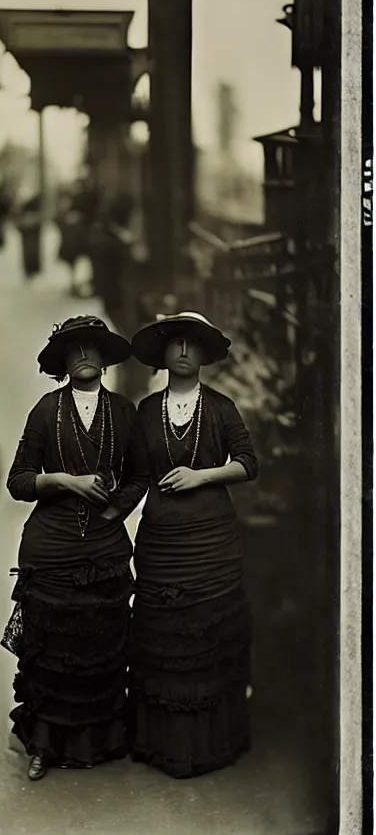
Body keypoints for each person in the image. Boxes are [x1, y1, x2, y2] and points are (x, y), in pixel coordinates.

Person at [1, 315, 149, 781]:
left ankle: (99, 742)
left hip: (104, 548)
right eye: (74, 348)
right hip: (51, 549)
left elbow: (140, 476)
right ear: (63, 361)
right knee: (53, 652)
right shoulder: (46, 410)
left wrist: (113, 513)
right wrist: (61, 480)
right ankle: (44, 744)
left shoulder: (125, 412)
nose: (84, 354)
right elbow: (18, 481)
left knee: (100, 647)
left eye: (92, 346)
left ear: (105, 358)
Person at [128, 311, 259, 779]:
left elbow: (248, 463)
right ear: (163, 355)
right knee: (164, 636)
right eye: (174, 343)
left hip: (211, 541)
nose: (183, 351)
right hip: (161, 540)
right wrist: (104, 517)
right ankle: (163, 746)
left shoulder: (222, 407)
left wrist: (201, 474)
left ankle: (208, 747)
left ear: (204, 355)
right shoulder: (145, 411)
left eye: (192, 344)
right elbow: (137, 478)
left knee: (206, 633)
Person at [17, 192, 43, 279]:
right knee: (28, 251)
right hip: (28, 234)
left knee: (33, 251)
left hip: (32, 233)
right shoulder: (24, 206)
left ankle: (33, 270)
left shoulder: (35, 203)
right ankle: (29, 270)